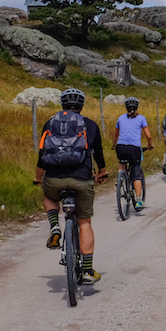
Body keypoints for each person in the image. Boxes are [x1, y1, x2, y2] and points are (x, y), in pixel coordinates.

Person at [34, 88, 108, 284]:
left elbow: (42, 154)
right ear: (81, 106)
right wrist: (102, 171)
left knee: (49, 196)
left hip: (54, 179)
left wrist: (38, 178)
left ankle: (55, 227)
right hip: (82, 179)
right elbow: (98, 152)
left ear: (62, 105)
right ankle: (87, 270)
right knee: (85, 223)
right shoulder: (90, 125)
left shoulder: (50, 123)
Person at [112, 96, 153, 211]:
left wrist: (114, 145)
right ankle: (139, 200)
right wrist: (149, 145)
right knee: (136, 172)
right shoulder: (141, 118)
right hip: (134, 148)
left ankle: (119, 181)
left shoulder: (120, 118)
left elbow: (115, 134)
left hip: (121, 147)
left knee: (122, 162)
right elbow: (148, 135)